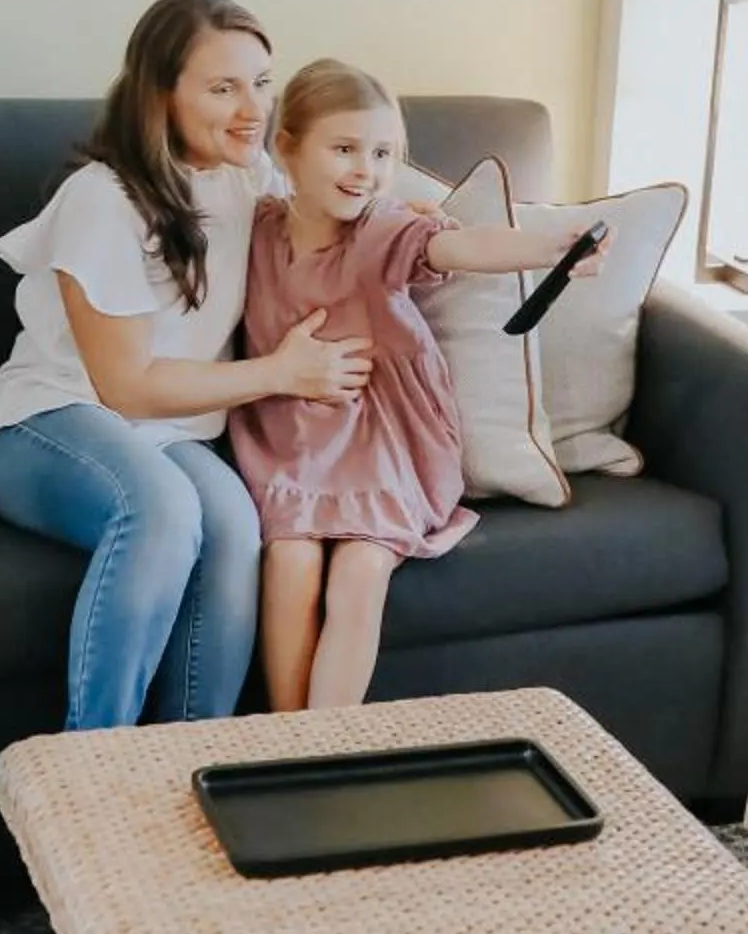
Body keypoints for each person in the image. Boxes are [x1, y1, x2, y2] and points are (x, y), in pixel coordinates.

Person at [0, 0, 375, 730]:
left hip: (172, 436)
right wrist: (283, 372)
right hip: (48, 421)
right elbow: (123, 388)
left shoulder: (252, 176)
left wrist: (479, 231)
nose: (252, 108)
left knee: (233, 529)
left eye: (261, 82)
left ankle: (189, 763)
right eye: (223, 88)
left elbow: (363, 185)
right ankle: (92, 764)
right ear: (162, 95)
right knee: (160, 509)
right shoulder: (103, 198)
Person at [234, 59, 603, 713]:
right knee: (288, 561)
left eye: (381, 153)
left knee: (360, 571)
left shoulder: (382, 229)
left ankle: (320, 746)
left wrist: (549, 247)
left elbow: (459, 250)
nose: (364, 170)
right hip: (290, 434)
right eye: (343, 149)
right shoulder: (256, 228)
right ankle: (284, 744)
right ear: (285, 147)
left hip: (381, 436)